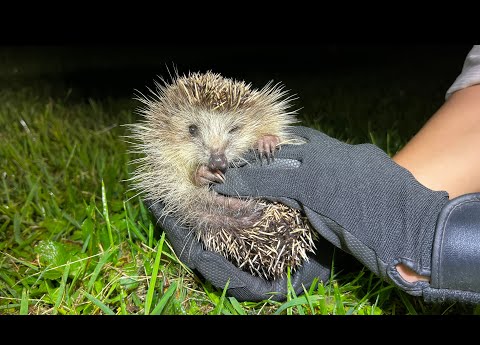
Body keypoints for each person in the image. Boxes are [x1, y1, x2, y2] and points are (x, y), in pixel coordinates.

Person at [148, 45, 480, 304]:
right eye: (194, 131)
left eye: (233, 130)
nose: (216, 152)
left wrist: (437, 239)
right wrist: (376, 220)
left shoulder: (260, 121)